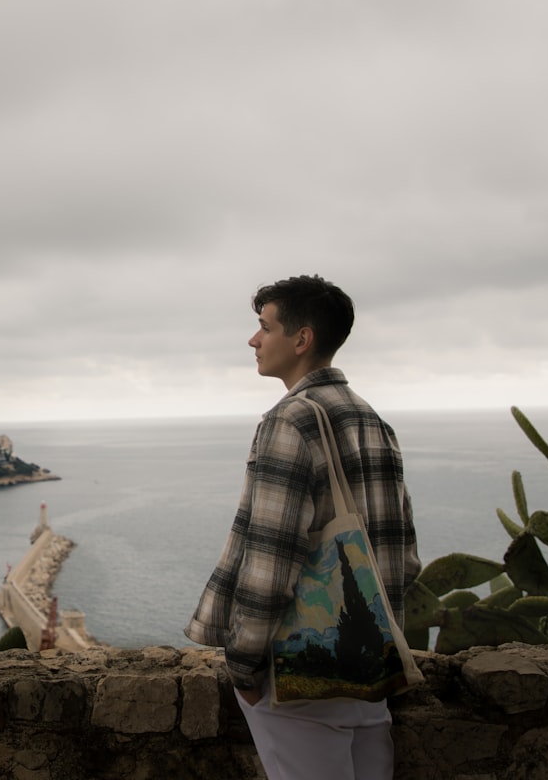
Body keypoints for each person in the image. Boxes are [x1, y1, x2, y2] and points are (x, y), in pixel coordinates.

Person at [185, 274, 420, 780]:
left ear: (301, 339)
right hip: (368, 665)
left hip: (300, 674)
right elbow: (402, 552)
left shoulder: (290, 421)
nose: (253, 340)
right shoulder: (372, 419)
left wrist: (244, 666)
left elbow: (270, 563)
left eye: (264, 327)